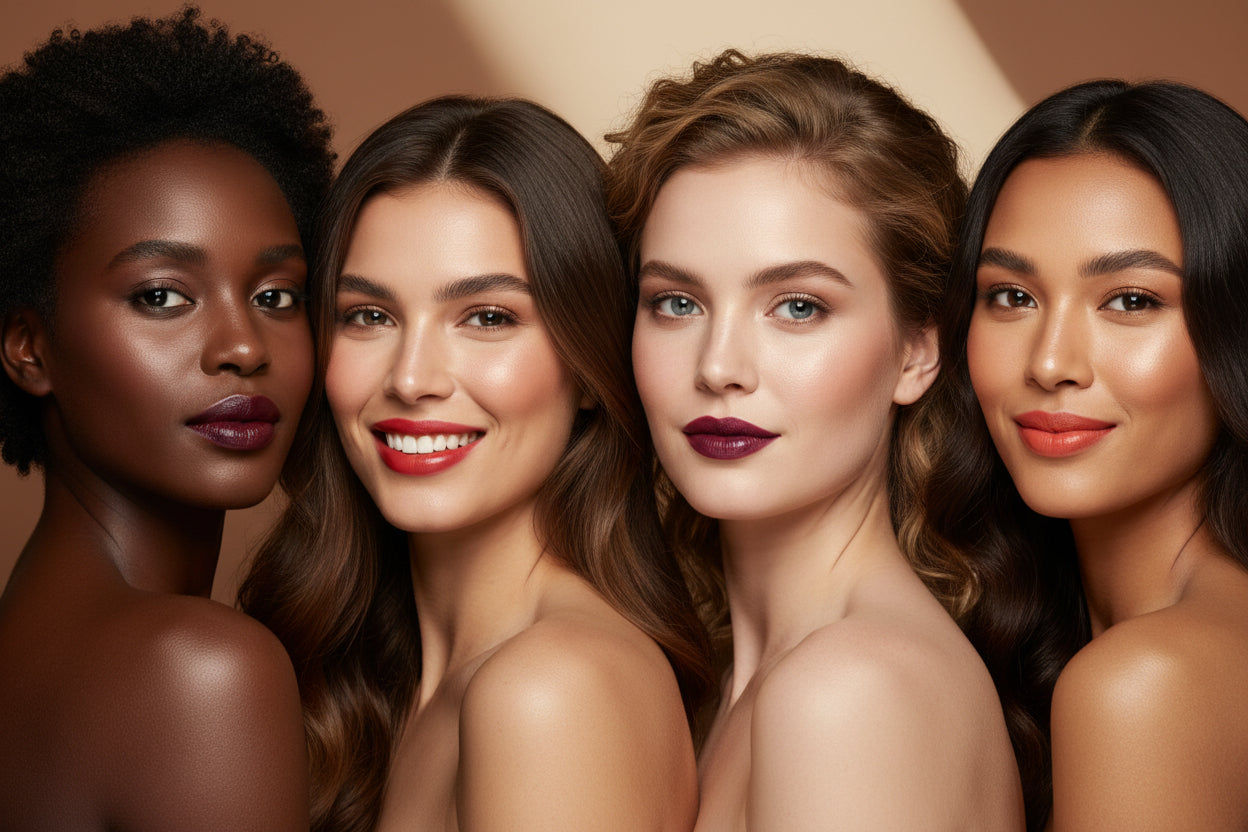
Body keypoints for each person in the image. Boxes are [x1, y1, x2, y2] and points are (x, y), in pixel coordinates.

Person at [239, 95, 713, 832]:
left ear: (588, 368)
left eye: (487, 318)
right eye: (370, 316)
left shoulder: (553, 690)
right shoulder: (384, 680)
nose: (412, 377)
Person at [606, 49, 1023, 831]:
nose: (720, 367)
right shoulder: (735, 683)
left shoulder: (849, 691)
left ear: (915, 351)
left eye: (797, 307)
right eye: (676, 303)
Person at [0, 8, 334, 830]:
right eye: (161, 296)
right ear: (30, 349)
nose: (241, 347)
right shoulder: (200, 670)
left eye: (275, 296)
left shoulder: (31, 640)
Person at [927, 79, 1248, 831]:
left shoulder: (1145, 684)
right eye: (1012, 296)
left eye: (1131, 301)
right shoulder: (1079, 639)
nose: (1051, 362)